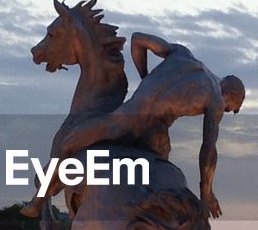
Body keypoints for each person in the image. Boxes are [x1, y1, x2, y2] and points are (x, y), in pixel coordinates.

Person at [21, 32, 244, 219]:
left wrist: (145, 79)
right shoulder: (215, 98)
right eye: (230, 108)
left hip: (128, 117)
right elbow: (208, 150)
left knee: (69, 142)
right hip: (152, 134)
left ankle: (37, 201)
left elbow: (138, 40)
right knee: (158, 171)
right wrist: (207, 193)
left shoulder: (182, 54)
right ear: (231, 95)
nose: (226, 110)